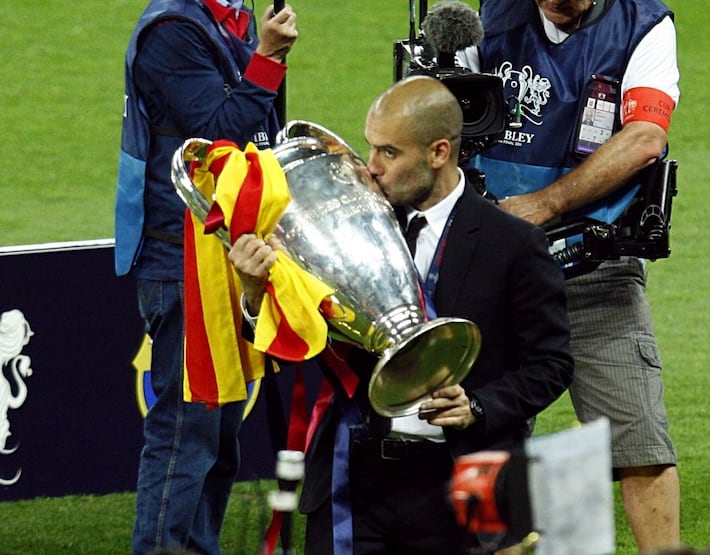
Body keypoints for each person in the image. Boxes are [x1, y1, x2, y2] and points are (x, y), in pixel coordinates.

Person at [230, 75, 574, 554]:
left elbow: (551, 365)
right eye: (371, 148)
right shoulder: (341, 229)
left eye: (389, 153)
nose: (370, 169)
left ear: (438, 153)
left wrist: (477, 407)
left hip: (460, 482)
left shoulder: (512, 244)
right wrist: (253, 293)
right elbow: (293, 343)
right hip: (355, 476)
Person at [466, 0, 682, 551]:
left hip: (595, 264)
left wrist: (545, 203)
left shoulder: (644, 26)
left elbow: (645, 138)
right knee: (482, 438)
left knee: (639, 446)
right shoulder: (490, 18)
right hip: (496, 271)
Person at [113, 1, 297, 553]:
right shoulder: (172, 30)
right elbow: (216, 132)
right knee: (183, 436)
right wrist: (266, 58)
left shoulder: (228, 21)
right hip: (182, 263)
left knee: (217, 439)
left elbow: (258, 139)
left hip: (224, 257)